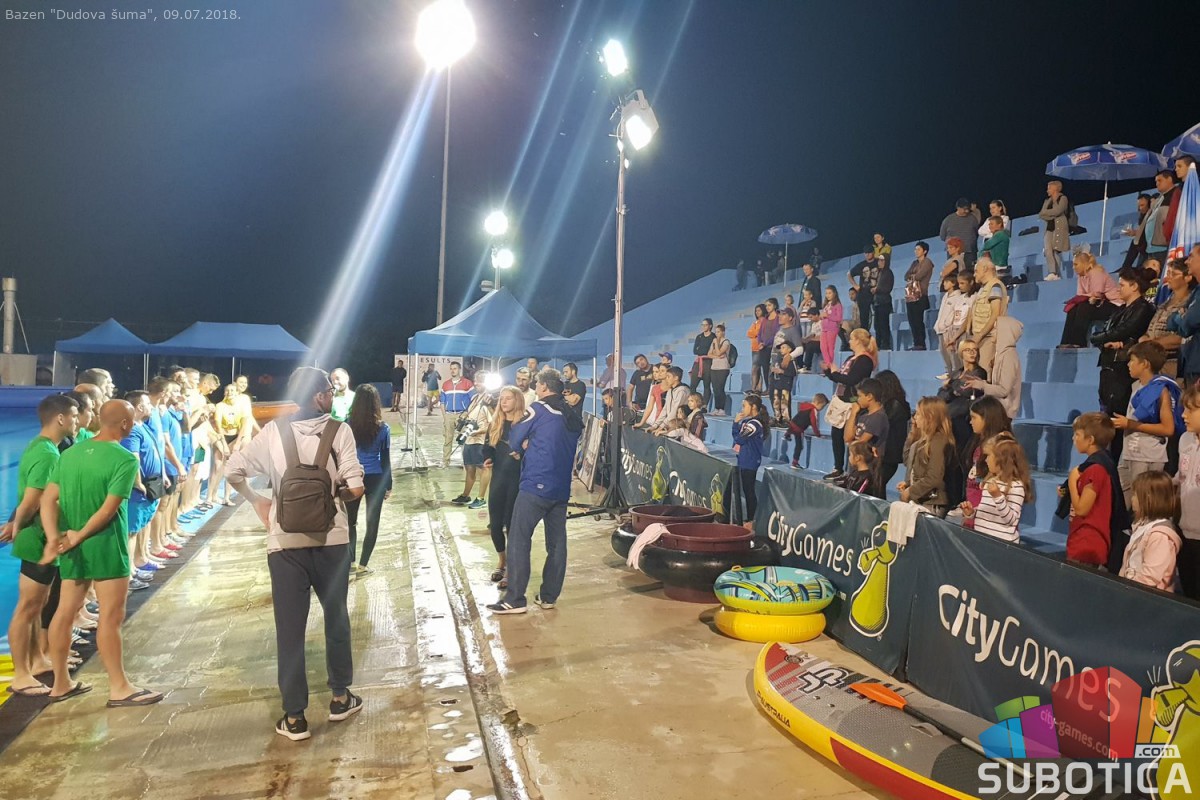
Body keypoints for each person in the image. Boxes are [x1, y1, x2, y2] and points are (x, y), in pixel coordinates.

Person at [225, 367, 366, 741]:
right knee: (336, 618)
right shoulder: (340, 430)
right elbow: (356, 487)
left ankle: (294, 717)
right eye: (330, 391)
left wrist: (258, 501)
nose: (333, 397)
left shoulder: (273, 432)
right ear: (319, 396)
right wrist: (336, 494)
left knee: (289, 629)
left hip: (284, 545)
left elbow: (232, 469)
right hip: (332, 541)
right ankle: (340, 697)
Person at [42, 399, 161, 706]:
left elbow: (48, 499)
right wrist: (80, 535)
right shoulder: (124, 459)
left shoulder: (70, 453)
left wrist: (57, 538)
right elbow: (109, 510)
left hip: (72, 547)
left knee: (64, 612)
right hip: (106, 545)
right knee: (110, 617)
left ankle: (60, 683)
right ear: (125, 424)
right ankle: (119, 687)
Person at [487, 368, 583, 615]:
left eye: (537, 384)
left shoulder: (539, 409)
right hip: (561, 488)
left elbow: (515, 436)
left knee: (518, 539)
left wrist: (523, 446)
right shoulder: (571, 413)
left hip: (536, 484)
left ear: (542, 387)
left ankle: (515, 599)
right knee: (557, 544)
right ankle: (549, 596)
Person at [3, 394, 79, 696]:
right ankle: (20, 674)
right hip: (37, 538)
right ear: (60, 418)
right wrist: (18, 526)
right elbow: (33, 499)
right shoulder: (47, 454)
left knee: (37, 605)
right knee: (28, 607)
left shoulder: (43, 447)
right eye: (74, 416)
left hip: (38, 536)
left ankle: (35, 661)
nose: (76, 421)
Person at [1112, 342, 1179, 505]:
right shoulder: (1136, 386)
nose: (1128, 364)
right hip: (1129, 453)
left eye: (1132, 360)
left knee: (1144, 504)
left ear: (1145, 364)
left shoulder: (1161, 390)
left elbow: (1168, 428)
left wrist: (1130, 425)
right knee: (1126, 504)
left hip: (1147, 456)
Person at [1064, 412, 1126, 570]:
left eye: (1077, 435)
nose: (1073, 438)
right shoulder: (1101, 463)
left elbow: (1082, 509)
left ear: (1090, 440)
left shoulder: (1096, 469)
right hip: (1083, 538)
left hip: (1087, 541)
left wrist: (1072, 482)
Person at [1092, 270, 1155, 419]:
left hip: (1123, 365)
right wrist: (1102, 341)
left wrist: (1102, 339)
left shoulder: (1143, 308)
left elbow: (1124, 330)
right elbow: (1104, 333)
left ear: (1134, 286)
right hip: (1109, 365)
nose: (1118, 288)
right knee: (1106, 408)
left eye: (1122, 285)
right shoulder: (1120, 309)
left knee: (1119, 410)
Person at [482, 387, 527, 590]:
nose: (504, 402)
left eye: (508, 398)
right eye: (502, 399)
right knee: (495, 525)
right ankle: (502, 561)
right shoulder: (496, 422)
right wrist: (487, 458)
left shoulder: (525, 424)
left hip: (517, 482)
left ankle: (511, 570)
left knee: (512, 525)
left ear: (517, 400)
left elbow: (534, 451)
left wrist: (522, 455)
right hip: (498, 480)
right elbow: (487, 447)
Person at [345, 385, 392, 575]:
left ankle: (350, 562)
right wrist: (389, 485)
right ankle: (363, 566)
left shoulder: (347, 425)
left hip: (353, 477)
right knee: (372, 523)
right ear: (375, 403)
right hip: (376, 479)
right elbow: (386, 459)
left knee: (350, 522)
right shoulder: (383, 428)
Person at [822, 328, 877, 481]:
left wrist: (835, 374)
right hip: (842, 400)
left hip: (852, 401)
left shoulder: (865, 360)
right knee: (836, 434)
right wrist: (829, 372)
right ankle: (838, 467)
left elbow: (852, 380)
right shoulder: (851, 358)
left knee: (849, 438)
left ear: (858, 341)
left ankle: (851, 470)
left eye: (852, 339)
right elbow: (841, 377)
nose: (849, 342)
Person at [959, 433, 1030, 542]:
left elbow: (1010, 521)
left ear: (1001, 459)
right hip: (982, 540)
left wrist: (998, 497)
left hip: (1002, 544)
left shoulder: (1016, 487)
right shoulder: (990, 481)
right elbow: (987, 513)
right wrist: (972, 513)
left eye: (988, 456)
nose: (986, 460)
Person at [1120, 471, 1181, 591]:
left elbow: (1150, 579)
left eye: (1135, 495)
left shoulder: (1160, 536)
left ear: (1149, 498)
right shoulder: (1142, 525)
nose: (1132, 499)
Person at [897, 397, 954, 516]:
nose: (915, 417)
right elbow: (912, 465)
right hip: (920, 501)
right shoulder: (922, 442)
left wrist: (911, 491)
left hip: (931, 503)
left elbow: (934, 477)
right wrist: (909, 483)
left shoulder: (938, 442)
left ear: (930, 417)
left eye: (918, 414)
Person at [956, 396, 1012, 516]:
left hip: (988, 510)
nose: (970, 422)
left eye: (974, 417)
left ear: (987, 418)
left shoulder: (1001, 445)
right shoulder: (977, 440)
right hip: (972, 507)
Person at [961, 316, 1023, 419]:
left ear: (1004, 332)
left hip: (1004, 413)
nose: (992, 332)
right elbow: (998, 385)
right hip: (998, 410)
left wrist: (982, 386)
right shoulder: (1002, 354)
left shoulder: (1009, 356)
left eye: (995, 329)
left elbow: (1004, 390)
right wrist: (981, 382)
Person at [1060, 251, 1122, 348]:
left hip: (1114, 305)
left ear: (1084, 264)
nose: (1073, 267)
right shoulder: (1081, 276)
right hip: (1097, 302)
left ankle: (1079, 342)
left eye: (1076, 264)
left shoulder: (1096, 272)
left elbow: (1097, 293)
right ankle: (1066, 342)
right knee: (1072, 308)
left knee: (1084, 307)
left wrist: (1086, 297)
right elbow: (1080, 294)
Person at [1142, 258, 1192, 378]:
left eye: (1173, 274)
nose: (1168, 278)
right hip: (1153, 364)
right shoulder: (1164, 303)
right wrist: (1143, 339)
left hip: (1173, 365)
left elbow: (1182, 337)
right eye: (1168, 273)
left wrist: (1151, 344)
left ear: (1187, 277)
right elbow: (1150, 330)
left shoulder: (1190, 303)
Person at [453, 374, 495, 508]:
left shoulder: (489, 400)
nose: (476, 383)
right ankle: (466, 495)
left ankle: (481, 498)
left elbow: (492, 422)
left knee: (484, 468)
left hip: (481, 441)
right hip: (469, 439)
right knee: (469, 467)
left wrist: (479, 431)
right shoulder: (475, 398)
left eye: (480, 381)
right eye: (475, 381)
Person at [1175, 384, 1200, 599]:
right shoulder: (1185, 440)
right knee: (1188, 594)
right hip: (1184, 532)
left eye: (1191, 410)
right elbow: (1181, 475)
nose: (1184, 415)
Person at [732, 394, 769, 522]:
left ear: (753, 407)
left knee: (749, 491)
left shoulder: (754, 424)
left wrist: (735, 423)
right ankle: (750, 517)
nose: (742, 409)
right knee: (746, 489)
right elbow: (737, 438)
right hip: (744, 459)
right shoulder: (747, 422)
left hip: (750, 460)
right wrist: (736, 425)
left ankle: (752, 518)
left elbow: (739, 439)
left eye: (745, 406)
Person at [970, 256, 1008, 374]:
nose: (974, 274)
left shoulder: (995, 286)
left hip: (988, 337)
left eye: (976, 271)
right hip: (981, 336)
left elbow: (995, 314)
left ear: (985, 269)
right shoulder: (984, 288)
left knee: (984, 372)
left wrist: (980, 335)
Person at [935, 271, 976, 377]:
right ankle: (953, 376)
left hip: (964, 332)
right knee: (953, 356)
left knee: (963, 359)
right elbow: (955, 314)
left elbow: (967, 319)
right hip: (954, 330)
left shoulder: (973, 297)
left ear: (971, 282)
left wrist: (956, 334)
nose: (960, 286)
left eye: (962, 283)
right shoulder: (961, 297)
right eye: (959, 283)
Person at [874, 370, 911, 485]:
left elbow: (881, 424)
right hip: (886, 453)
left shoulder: (894, 405)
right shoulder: (893, 404)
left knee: (877, 484)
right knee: (877, 485)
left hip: (888, 454)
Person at [847, 377, 889, 461]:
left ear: (869, 396)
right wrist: (853, 413)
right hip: (857, 461)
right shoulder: (863, 415)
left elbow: (861, 442)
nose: (857, 399)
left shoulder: (878, 417)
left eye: (859, 396)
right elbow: (847, 437)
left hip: (869, 463)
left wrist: (850, 444)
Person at [440, 362, 474, 466]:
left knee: (464, 440)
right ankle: (445, 461)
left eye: (455, 368)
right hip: (449, 415)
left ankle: (466, 462)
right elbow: (442, 402)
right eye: (451, 368)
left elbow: (474, 400)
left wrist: (467, 413)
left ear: (459, 369)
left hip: (462, 416)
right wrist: (445, 417)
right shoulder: (445, 385)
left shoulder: (467, 383)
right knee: (447, 439)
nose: (452, 371)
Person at [904, 242, 935, 350]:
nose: (916, 251)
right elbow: (906, 276)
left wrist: (912, 276)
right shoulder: (914, 263)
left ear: (924, 251)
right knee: (912, 320)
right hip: (911, 294)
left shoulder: (927, 262)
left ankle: (921, 343)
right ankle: (916, 342)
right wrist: (912, 276)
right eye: (915, 249)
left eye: (918, 249)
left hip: (921, 294)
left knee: (918, 320)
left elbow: (919, 276)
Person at [1038, 180, 1071, 280]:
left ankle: (1056, 273)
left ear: (1055, 188)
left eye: (1049, 188)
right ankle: (1052, 272)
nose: (1047, 190)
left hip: (1059, 227)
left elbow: (1058, 211)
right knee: (1048, 250)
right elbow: (1041, 214)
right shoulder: (1047, 201)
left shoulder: (1063, 198)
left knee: (1056, 250)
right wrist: (1052, 215)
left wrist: (1049, 213)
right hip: (1049, 227)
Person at [784, 393, 827, 468]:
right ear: (818, 403)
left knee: (793, 429)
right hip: (799, 428)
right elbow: (814, 423)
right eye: (822, 406)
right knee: (800, 446)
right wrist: (818, 434)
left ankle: (787, 434)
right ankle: (795, 463)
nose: (821, 409)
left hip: (793, 423)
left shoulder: (805, 406)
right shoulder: (813, 410)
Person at [1120, 194, 1153, 272]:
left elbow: (1149, 231)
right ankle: (1125, 268)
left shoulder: (1152, 216)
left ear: (1149, 204)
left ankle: (1125, 268)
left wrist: (1136, 233)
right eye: (1139, 206)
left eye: (1142, 205)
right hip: (1143, 246)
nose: (1140, 208)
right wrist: (1135, 233)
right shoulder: (1142, 216)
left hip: (1149, 246)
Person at [848, 248, 877, 334]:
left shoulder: (878, 262)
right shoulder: (862, 264)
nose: (867, 254)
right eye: (865, 253)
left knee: (879, 318)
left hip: (876, 293)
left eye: (869, 252)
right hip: (864, 294)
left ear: (873, 252)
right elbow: (849, 274)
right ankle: (865, 337)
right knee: (864, 320)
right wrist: (855, 285)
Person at [755, 299, 781, 393]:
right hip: (763, 347)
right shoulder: (765, 318)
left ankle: (774, 387)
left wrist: (765, 343)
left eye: (769, 305)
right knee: (764, 368)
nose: (767, 307)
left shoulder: (778, 318)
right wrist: (760, 342)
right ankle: (768, 388)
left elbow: (776, 333)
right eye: (766, 305)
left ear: (774, 306)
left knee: (773, 367)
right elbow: (760, 333)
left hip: (772, 347)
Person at [770, 341, 797, 426]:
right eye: (781, 348)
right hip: (777, 384)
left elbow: (793, 373)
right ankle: (778, 418)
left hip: (785, 384)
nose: (781, 350)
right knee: (776, 402)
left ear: (789, 349)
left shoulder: (791, 361)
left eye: (783, 347)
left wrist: (782, 371)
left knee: (785, 403)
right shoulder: (778, 360)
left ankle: (786, 420)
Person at [707, 324, 732, 416]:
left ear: (723, 332)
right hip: (714, 367)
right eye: (716, 332)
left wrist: (716, 344)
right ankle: (716, 408)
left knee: (720, 388)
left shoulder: (726, 342)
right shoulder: (713, 342)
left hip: (723, 368)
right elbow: (709, 354)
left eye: (718, 332)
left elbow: (718, 352)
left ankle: (722, 408)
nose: (716, 334)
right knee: (715, 389)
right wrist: (716, 356)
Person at [872, 253, 895, 351]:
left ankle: (885, 344)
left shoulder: (888, 273)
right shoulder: (878, 273)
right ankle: (878, 344)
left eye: (882, 260)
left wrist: (877, 289)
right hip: (877, 302)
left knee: (883, 324)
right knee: (877, 325)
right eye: (879, 260)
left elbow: (888, 288)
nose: (879, 262)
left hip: (884, 302)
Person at [746, 305, 766, 394]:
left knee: (755, 368)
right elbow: (749, 333)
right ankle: (758, 388)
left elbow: (760, 332)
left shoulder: (764, 321)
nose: (757, 312)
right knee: (757, 370)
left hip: (761, 349)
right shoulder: (755, 322)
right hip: (754, 349)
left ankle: (754, 388)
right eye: (756, 311)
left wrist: (755, 333)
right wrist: (755, 333)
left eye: (759, 310)